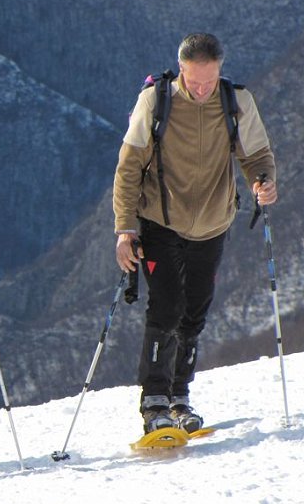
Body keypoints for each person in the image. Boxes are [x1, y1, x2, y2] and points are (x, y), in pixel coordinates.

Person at [113, 33, 277, 434]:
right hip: (160, 223)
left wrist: (263, 181)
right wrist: (125, 229)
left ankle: (179, 397)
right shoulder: (155, 102)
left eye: (209, 80)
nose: (202, 89)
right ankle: (154, 402)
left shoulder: (236, 101)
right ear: (181, 69)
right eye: (194, 81)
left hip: (213, 224)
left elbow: (256, 155)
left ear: (220, 69)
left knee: (194, 314)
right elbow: (128, 167)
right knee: (166, 307)